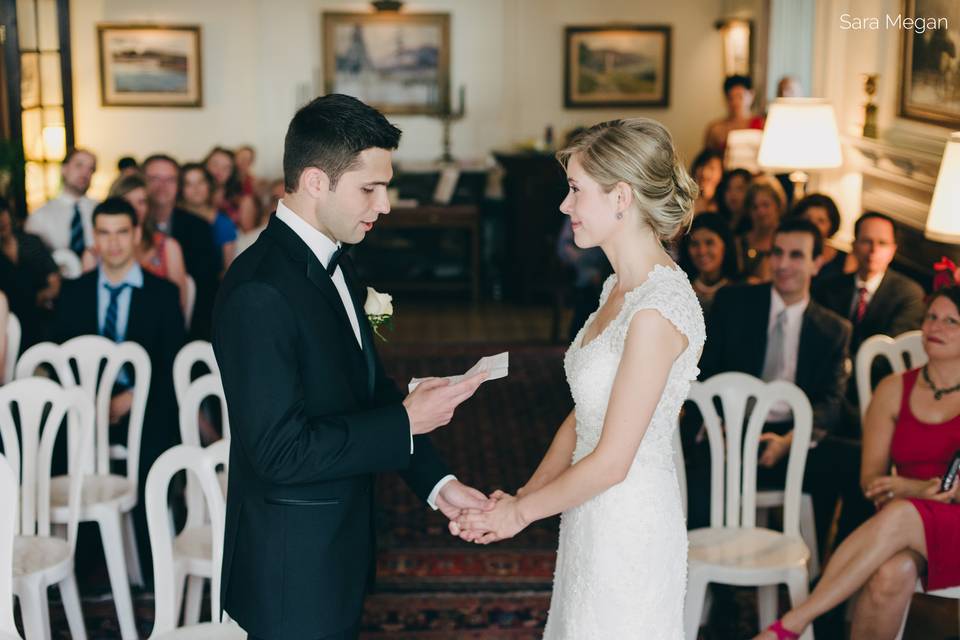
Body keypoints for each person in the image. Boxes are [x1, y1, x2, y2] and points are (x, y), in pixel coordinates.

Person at [212, 94, 494, 640]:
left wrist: (439, 483)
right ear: (316, 181)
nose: (384, 205)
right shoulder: (259, 290)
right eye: (370, 188)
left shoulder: (339, 261)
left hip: (337, 546)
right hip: (292, 566)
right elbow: (277, 452)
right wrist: (405, 422)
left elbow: (367, 393)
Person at [455, 118, 704, 638]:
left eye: (575, 190)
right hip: (589, 514)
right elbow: (584, 414)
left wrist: (521, 515)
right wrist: (525, 493)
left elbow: (613, 462)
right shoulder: (618, 287)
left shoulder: (656, 311)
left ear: (621, 197)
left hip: (628, 523)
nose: (565, 206)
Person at [754, 285, 960, 640]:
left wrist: (912, 489)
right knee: (889, 574)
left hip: (942, 519)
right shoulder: (893, 389)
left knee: (901, 513)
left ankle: (793, 622)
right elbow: (871, 481)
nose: (935, 327)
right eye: (931, 317)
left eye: (951, 321)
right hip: (907, 526)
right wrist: (913, 492)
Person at [692, 218, 853, 550]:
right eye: (777, 253)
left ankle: (823, 576)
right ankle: (717, 585)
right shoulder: (734, 303)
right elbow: (707, 372)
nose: (782, 265)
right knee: (699, 465)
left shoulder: (833, 329)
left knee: (856, 464)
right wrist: (718, 422)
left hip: (792, 434)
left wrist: (790, 440)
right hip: (733, 428)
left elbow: (831, 402)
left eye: (796, 255)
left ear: (816, 263)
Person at [50, 197, 185, 584]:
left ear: (136, 235)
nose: (113, 244)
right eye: (104, 234)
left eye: (122, 233)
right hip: (85, 411)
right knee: (58, 448)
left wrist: (131, 399)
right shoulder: (74, 291)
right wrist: (91, 400)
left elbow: (171, 363)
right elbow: (60, 356)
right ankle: (75, 565)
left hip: (144, 409)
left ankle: (150, 564)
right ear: (94, 238)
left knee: (154, 444)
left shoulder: (161, 294)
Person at [814, 212, 926, 430]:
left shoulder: (909, 294)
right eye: (866, 241)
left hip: (877, 395)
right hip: (827, 393)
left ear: (893, 250)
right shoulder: (828, 288)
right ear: (854, 245)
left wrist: (842, 368)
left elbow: (890, 356)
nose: (873, 250)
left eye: (882, 243)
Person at [143, 154, 220, 338]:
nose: (162, 186)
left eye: (170, 180)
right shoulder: (130, 227)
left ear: (178, 186)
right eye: (154, 179)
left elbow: (206, 288)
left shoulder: (199, 227)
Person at [100, 174, 190, 314]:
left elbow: (179, 305)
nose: (135, 208)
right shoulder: (96, 251)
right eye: (127, 201)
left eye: (141, 202)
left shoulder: (168, 247)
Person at [0, 200, 59, 349]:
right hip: (7, 317)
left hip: (40, 312)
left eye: (2, 213)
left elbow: (54, 279)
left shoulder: (31, 242)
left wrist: (43, 296)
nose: (1, 220)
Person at [25, 148, 98, 255]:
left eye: (91, 169)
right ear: (63, 169)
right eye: (79, 165)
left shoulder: (100, 210)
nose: (85, 172)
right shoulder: (39, 217)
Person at [179, 162, 238, 275]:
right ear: (181, 189)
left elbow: (228, 270)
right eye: (188, 184)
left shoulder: (223, 223)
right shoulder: (172, 219)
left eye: (201, 182)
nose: (196, 189)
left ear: (209, 185)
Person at [678, 212, 740, 318]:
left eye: (709, 243)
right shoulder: (680, 290)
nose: (702, 251)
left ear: (725, 245)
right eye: (694, 244)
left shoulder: (741, 289)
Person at [793, 193, 855, 284]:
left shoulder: (846, 260)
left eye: (821, 221)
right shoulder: (784, 253)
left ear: (831, 226)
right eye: (807, 219)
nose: (813, 226)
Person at [738, 175, 787, 282]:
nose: (760, 212)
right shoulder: (741, 243)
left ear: (778, 205)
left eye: (766, 205)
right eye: (755, 207)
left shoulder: (789, 240)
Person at [704, 75, 766, 153]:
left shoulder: (762, 125)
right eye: (731, 98)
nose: (736, 102)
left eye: (740, 97)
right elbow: (707, 159)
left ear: (751, 95)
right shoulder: (716, 129)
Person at [204, 146, 242, 222]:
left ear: (232, 173)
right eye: (215, 164)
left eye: (226, 167)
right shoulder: (193, 198)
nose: (219, 170)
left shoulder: (237, 201)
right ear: (205, 165)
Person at [716, 167, 752, 232]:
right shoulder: (719, 222)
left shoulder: (755, 224)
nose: (733, 194)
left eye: (740, 188)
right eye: (728, 188)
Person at [691, 149, 724, 215]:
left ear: (721, 173)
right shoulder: (684, 200)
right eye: (702, 166)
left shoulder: (724, 204)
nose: (705, 173)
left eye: (712, 168)